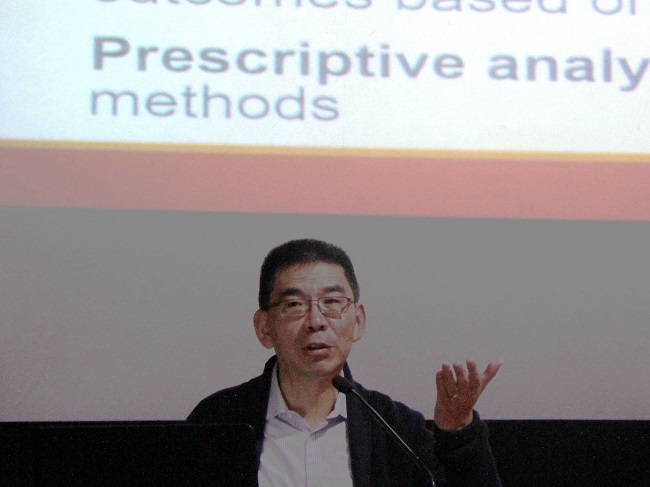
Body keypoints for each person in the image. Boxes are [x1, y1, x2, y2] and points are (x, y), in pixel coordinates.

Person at [187, 238, 502, 486]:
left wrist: (458, 432)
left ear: (358, 321)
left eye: (332, 302)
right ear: (264, 327)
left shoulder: (395, 428)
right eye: (294, 304)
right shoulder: (218, 422)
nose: (315, 321)